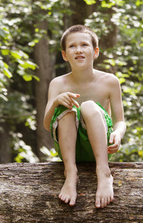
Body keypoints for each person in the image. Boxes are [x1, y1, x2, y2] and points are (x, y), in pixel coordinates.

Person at [43, 24, 126, 208]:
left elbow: (120, 120)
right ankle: (70, 174)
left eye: (84, 45)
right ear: (65, 54)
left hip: (100, 149)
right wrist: (57, 101)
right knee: (69, 108)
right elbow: (48, 125)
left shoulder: (110, 82)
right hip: (68, 150)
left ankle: (104, 173)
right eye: (72, 46)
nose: (78, 50)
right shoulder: (58, 84)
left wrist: (118, 135)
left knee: (88, 106)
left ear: (95, 51)